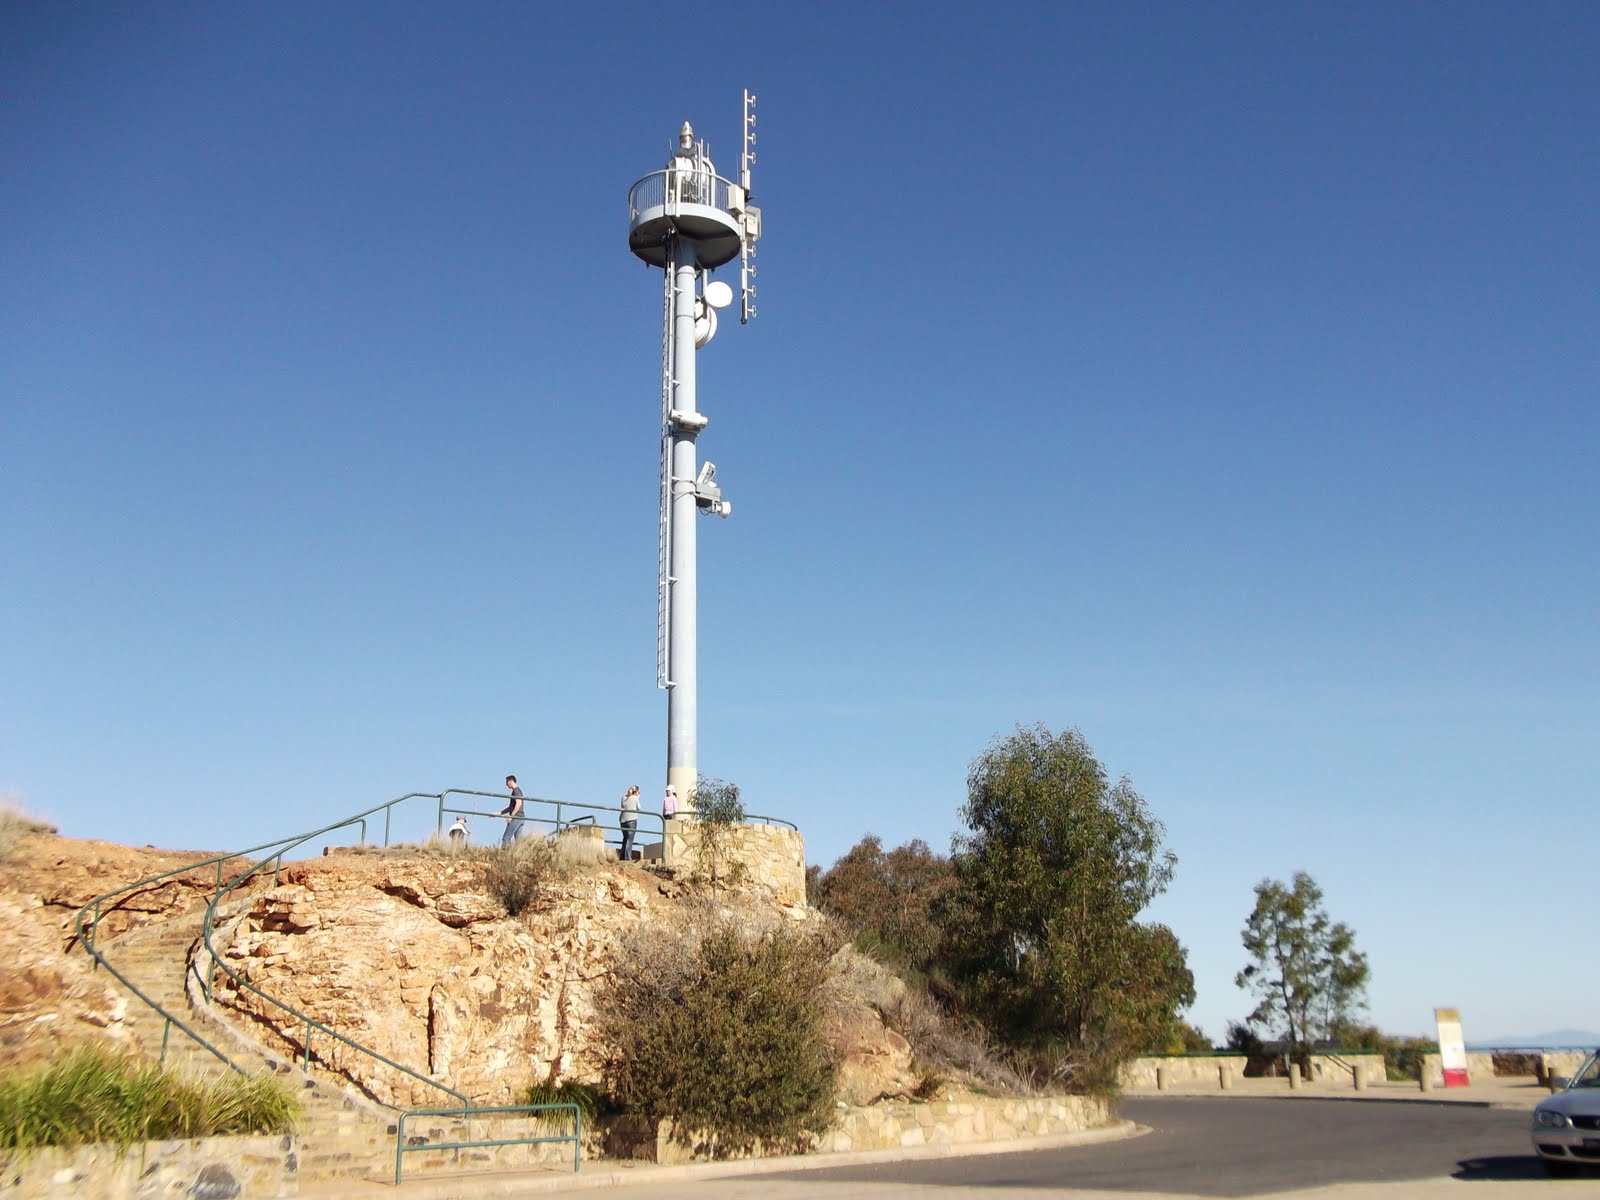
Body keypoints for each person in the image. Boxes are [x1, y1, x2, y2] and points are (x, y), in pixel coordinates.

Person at [499, 775, 525, 847]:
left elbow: (518, 803)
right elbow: (511, 807)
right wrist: (499, 813)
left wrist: (511, 816)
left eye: (506, 782)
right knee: (518, 840)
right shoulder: (516, 791)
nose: (506, 784)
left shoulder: (516, 790)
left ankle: (505, 854)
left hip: (516, 817)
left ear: (510, 781)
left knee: (506, 837)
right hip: (520, 817)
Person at [618, 785, 641, 862]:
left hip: (623, 820)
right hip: (632, 819)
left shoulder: (623, 798)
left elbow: (623, 806)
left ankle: (622, 855)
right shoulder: (635, 798)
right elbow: (639, 808)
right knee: (629, 839)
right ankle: (627, 857)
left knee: (625, 838)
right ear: (636, 792)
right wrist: (637, 798)